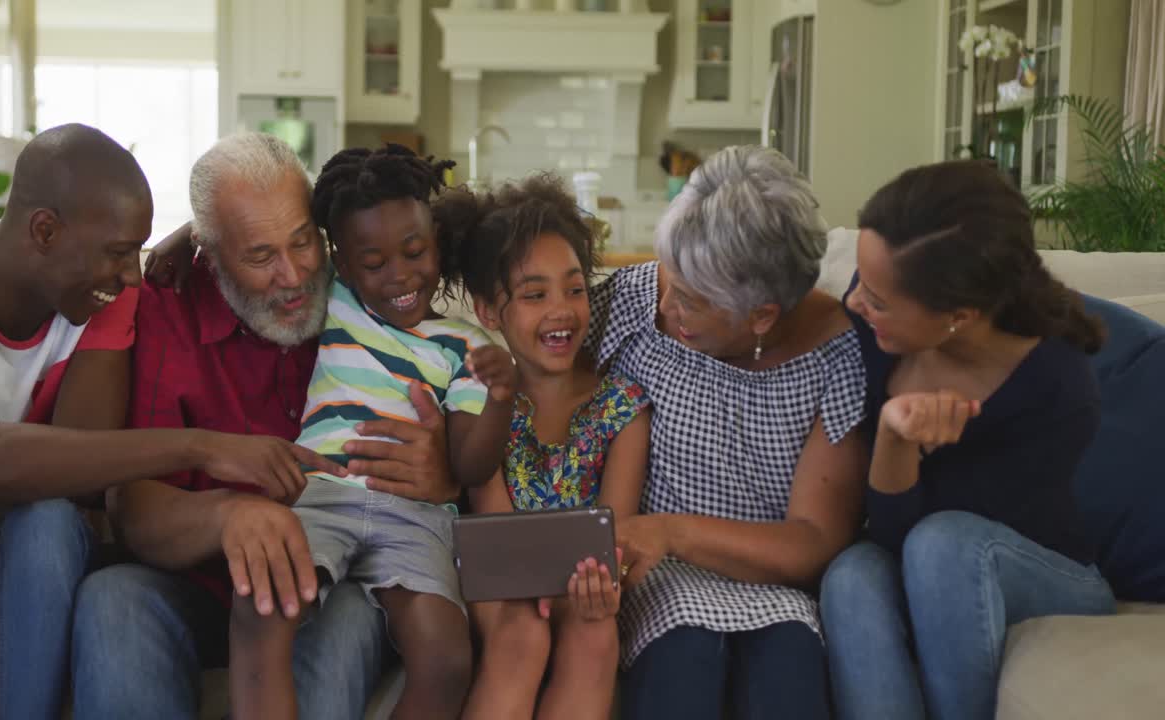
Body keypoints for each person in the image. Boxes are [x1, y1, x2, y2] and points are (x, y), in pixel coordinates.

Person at [0, 124, 328, 720]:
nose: (133, 277)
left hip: (16, 536)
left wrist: (197, 237)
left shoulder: (105, 294)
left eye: (137, 252)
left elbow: (81, 469)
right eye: (121, 254)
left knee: (49, 520)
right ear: (44, 230)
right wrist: (201, 448)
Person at [73, 134, 472, 720]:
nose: (293, 276)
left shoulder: (367, 287)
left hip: (339, 574)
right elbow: (132, 508)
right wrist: (229, 515)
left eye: (303, 241)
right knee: (111, 598)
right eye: (260, 257)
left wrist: (447, 472)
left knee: (336, 612)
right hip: (198, 579)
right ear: (210, 253)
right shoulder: (167, 309)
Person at [820, 160, 1116, 720]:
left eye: (877, 300)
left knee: (945, 542)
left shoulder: (1056, 388)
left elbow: (934, 557)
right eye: (860, 283)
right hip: (919, 548)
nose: (855, 305)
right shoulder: (866, 329)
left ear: (959, 315)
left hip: (1040, 570)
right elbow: (888, 542)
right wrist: (892, 434)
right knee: (852, 575)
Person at [593, 145, 869, 719]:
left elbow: (816, 538)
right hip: (659, 585)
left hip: (774, 588)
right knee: (684, 667)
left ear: (762, 315)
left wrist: (670, 531)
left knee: (787, 679)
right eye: (667, 274)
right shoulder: (629, 302)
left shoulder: (840, 356)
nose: (667, 306)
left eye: (691, 302)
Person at [437, 174, 652, 720]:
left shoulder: (622, 406)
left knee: (596, 635)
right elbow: (495, 534)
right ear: (490, 312)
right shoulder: (483, 401)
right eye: (535, 294)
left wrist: (598, 587)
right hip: (502, 587)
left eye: (575, 289)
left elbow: (613, 535)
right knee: (524, 635)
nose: (562, 309)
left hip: (585, 585)